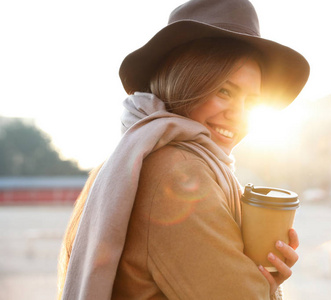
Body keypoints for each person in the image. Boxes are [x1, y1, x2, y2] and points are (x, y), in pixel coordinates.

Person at [57, 0, 309, 299]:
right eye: (224, 91)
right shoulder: (177, 170)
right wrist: (267, 288)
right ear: (185, 83)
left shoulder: (137, 152)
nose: (239, 114)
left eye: (251, 102)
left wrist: (262, 272)